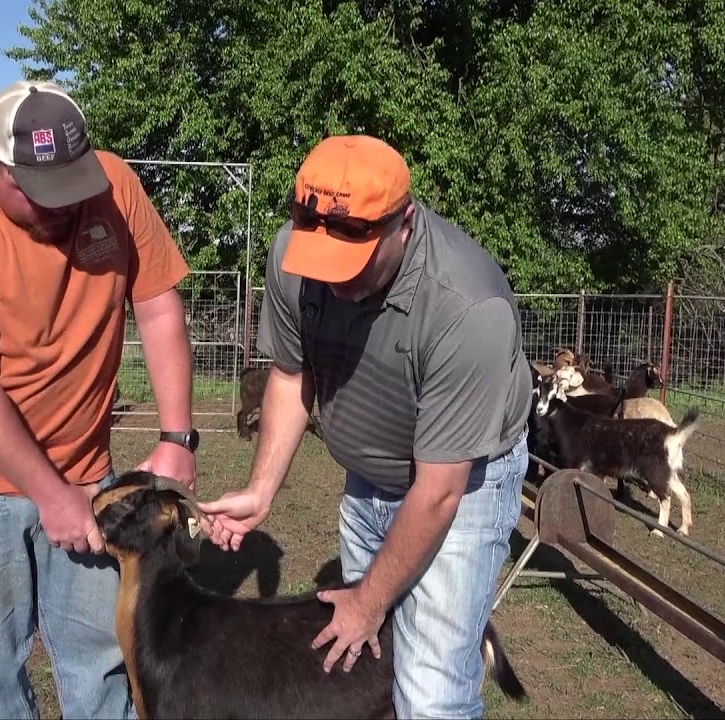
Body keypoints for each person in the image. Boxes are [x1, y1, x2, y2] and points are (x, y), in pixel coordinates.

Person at [199, 134, 532, 719]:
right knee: (369, 670)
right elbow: (289, 374)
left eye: (350, 261)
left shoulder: (466, 306)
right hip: (370, 475)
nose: (331, 279)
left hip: (459, 484)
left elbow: (439, 491)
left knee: (430, 690)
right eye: (318, 257)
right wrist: (261, 488)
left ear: (404, 222)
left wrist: (367, 600)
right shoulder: (292, 258)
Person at [0, 79, 199, 720]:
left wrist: (176, 437)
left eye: (73, 185)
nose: (63, 208)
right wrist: (49, 492)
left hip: (85, 468)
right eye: (42, 193)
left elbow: (157, 305)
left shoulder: (116, 191)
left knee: (100, 657)